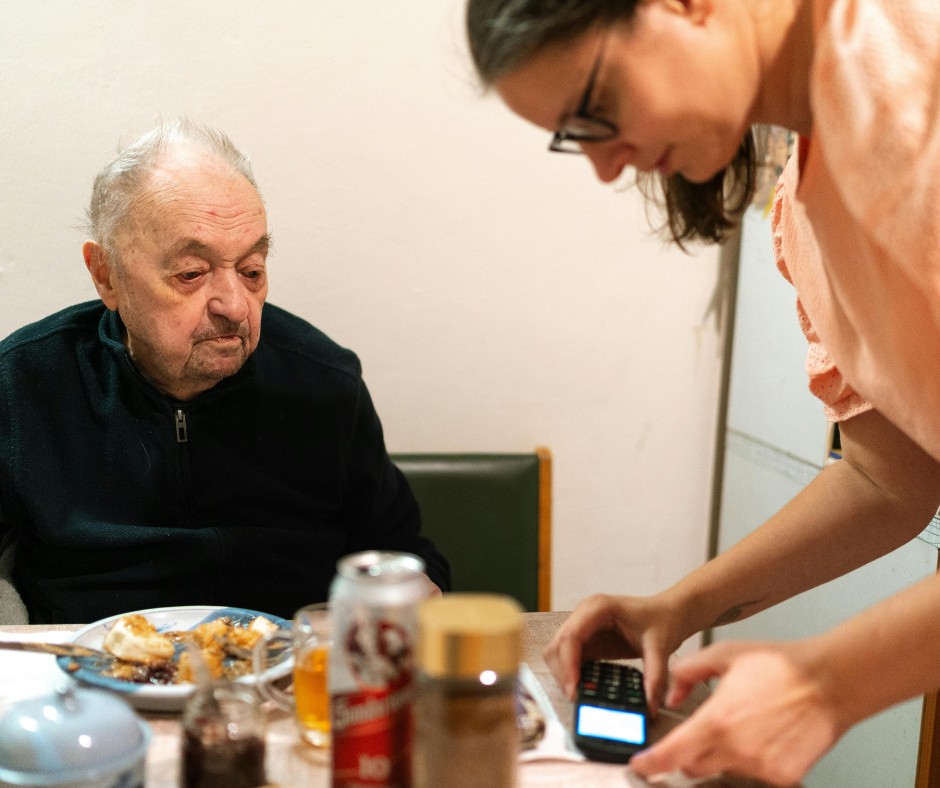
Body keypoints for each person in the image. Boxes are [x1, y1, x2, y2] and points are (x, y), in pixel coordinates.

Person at [465, 0, 940, 784]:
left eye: (597, 111)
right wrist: (681, 607)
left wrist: (826, 685)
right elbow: (888, 479)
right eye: (575, 139)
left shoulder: (907, 78)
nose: (607, 167)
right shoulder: (808, 206)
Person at [0, 118, 450, 626]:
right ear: (107, 275)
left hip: (282, 676)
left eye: (252, 269)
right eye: (192, 274)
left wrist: (408, 591)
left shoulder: (324, 382)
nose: (235, 306)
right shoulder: (24, 383)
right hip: (87, 677)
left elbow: (404, 554)